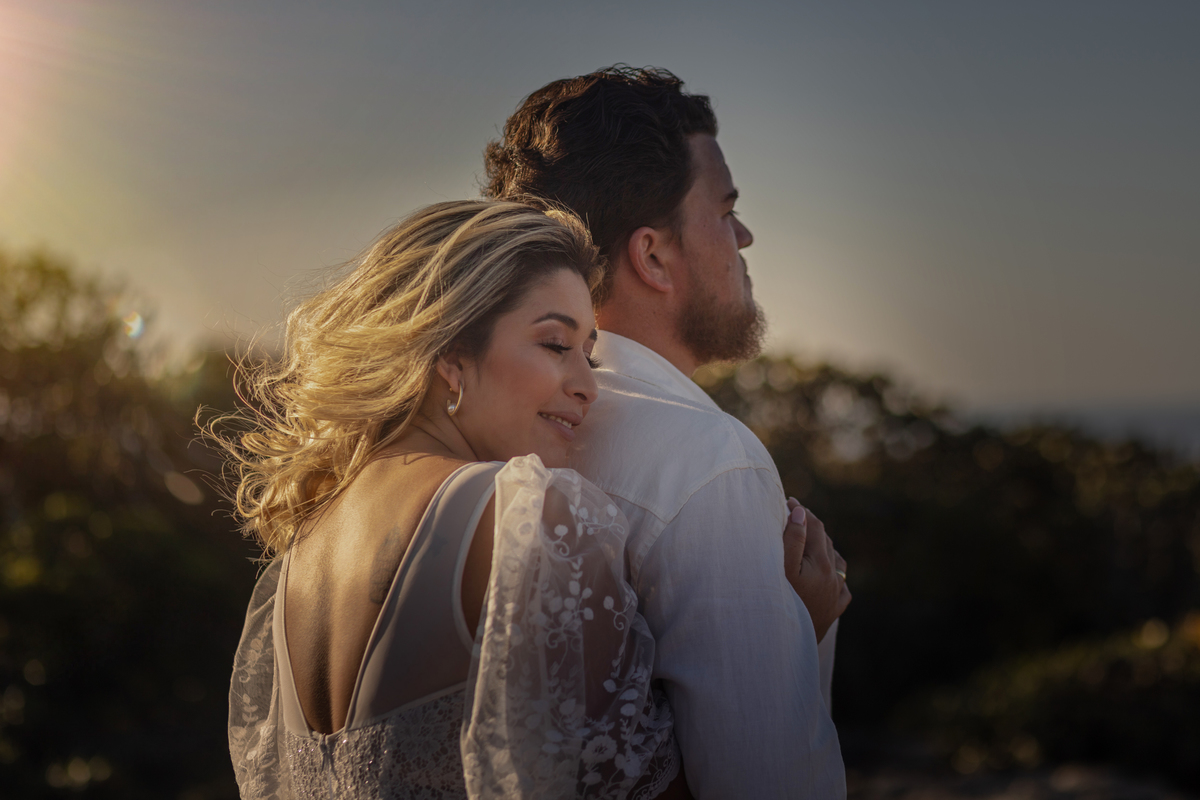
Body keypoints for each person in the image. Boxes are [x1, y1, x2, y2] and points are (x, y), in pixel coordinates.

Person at [221, 199, 817, 799]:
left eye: (590, 352)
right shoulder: (531, 518)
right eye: (556, 344)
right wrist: (793, 636)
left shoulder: (299, 554)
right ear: (451, 356)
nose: (587, 387)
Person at [483, 66, 852, 798]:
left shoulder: (481, 438)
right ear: (653, 255)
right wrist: (796, 649)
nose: (744, 235)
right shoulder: (707, 463)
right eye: (725, 210)